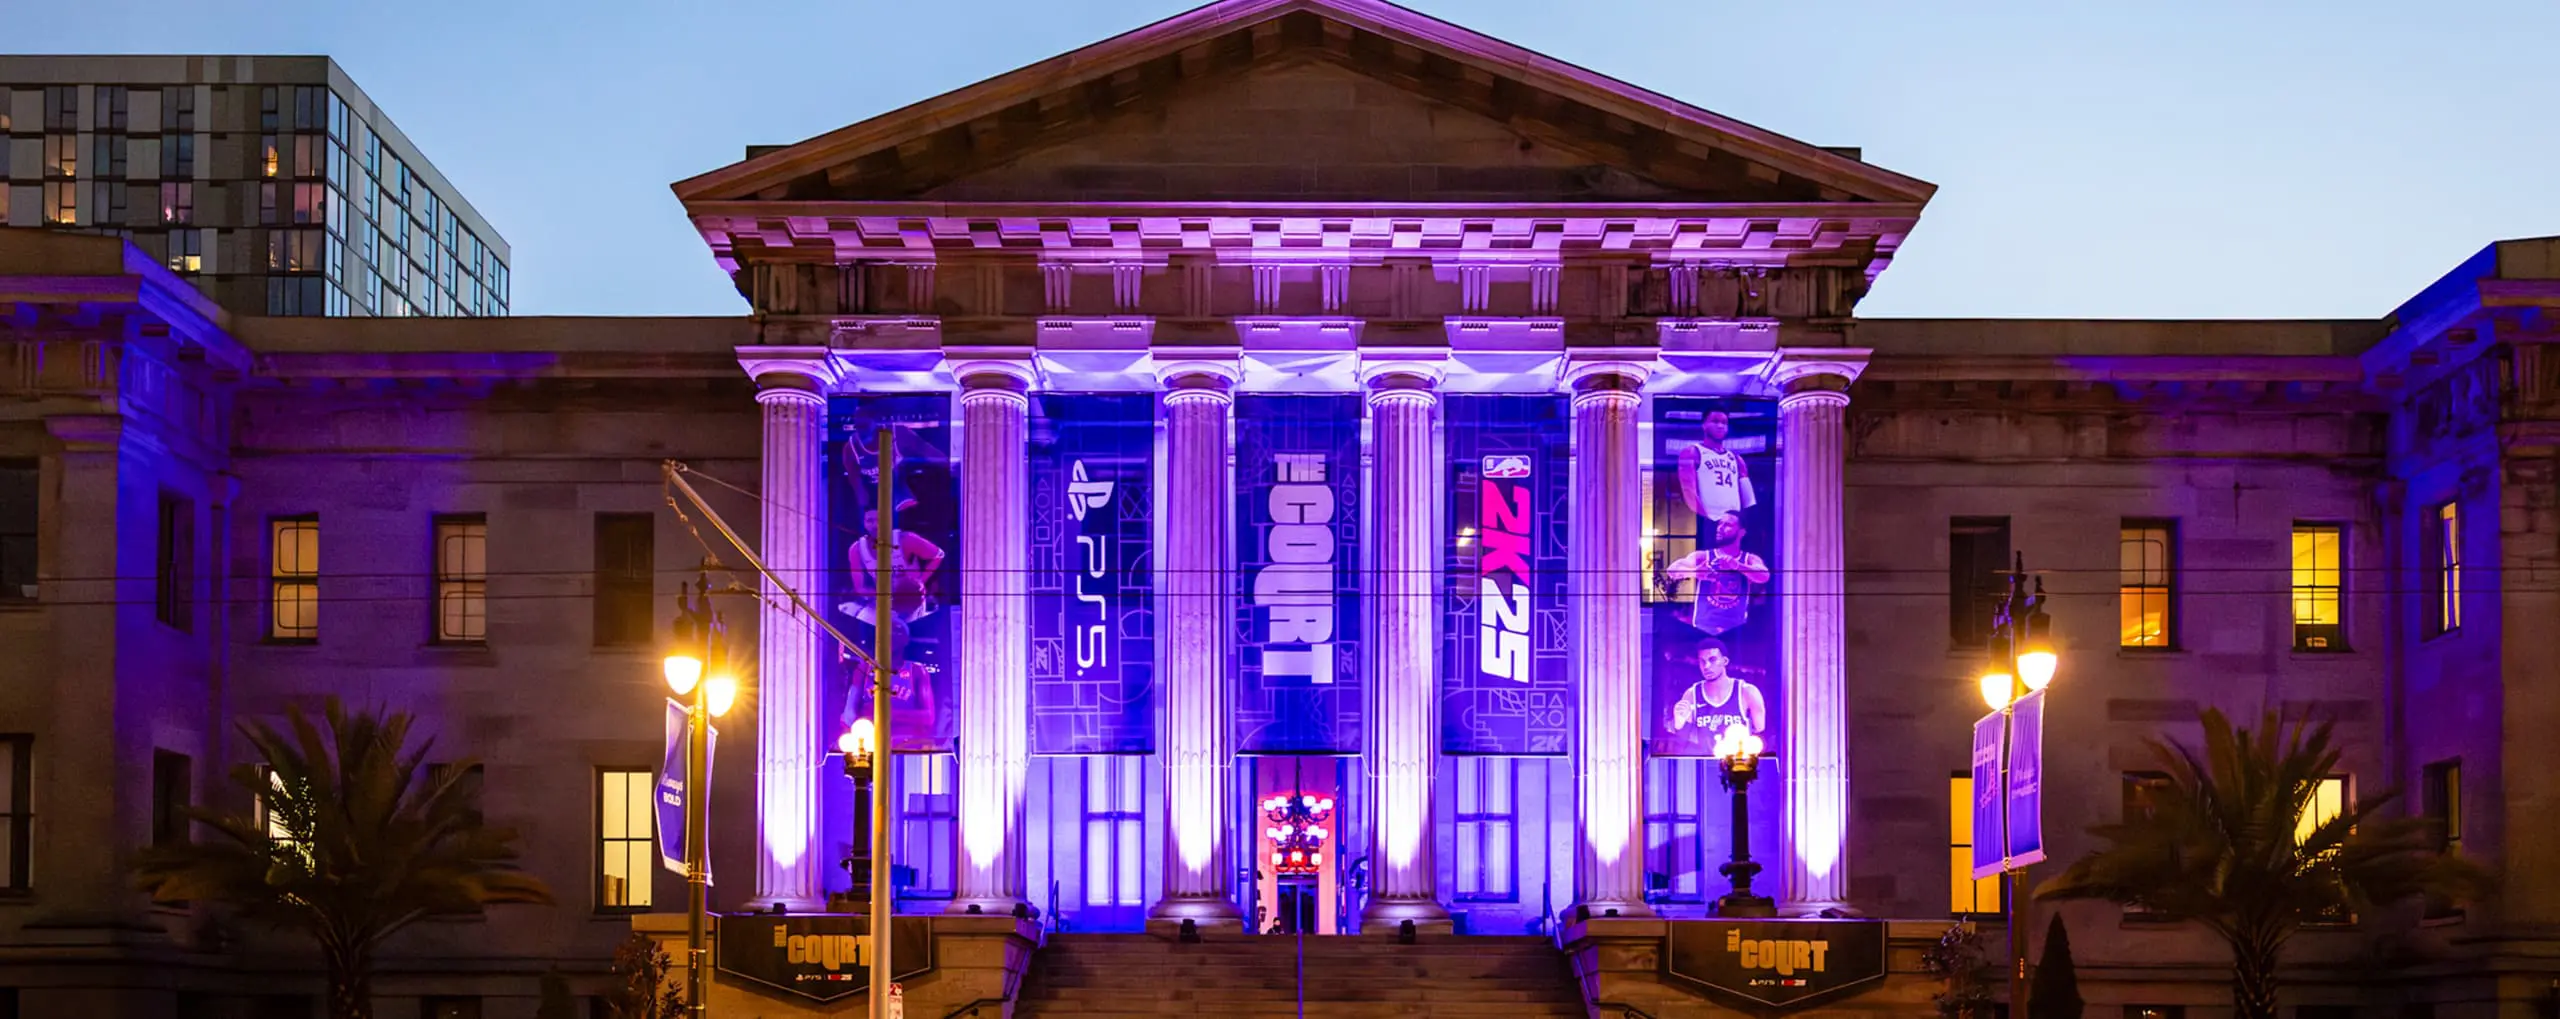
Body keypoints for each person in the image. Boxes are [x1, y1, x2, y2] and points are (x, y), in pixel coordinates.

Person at [1665, 511, 1770, 635]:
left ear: (1741, 532)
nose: (1720, 528)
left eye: (1727, 525)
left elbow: (1764, 576)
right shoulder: (1704, 557)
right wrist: (1694, 572)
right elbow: (1672, 570)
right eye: (1720, 524)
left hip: (1736, 632)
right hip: (1702, 629)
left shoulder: (1749, 559)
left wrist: (1737, 565)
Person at [1665, 638, 1766, 749]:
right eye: (1702, 661)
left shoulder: (1746, 691)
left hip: (1738, 763)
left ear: (1725, 661)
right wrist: (1679, 723)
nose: (1706, 666)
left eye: (1712, 660)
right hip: (1703, 762)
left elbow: (1761, 735)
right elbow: (1683, 742)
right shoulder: (1691, 694)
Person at [1677, 410, 1755, 524]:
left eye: (1724, 423)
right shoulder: (1692, 452)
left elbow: (1749, 500)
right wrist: (1705, 521)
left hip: (1733, 522)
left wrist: (1744, 524)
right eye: (1715, 421)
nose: (1720, 426)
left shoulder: (1737, 458)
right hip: (1709, 519)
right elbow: (1689, 491)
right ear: (1704, 425)